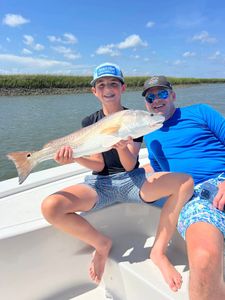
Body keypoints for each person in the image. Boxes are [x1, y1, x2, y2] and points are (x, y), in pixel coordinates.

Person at [41, 63, 193, 291]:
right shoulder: (89, 122)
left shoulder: (135, 117)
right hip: (100, 184)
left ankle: (158, 251)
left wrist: (122, 146)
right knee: (51, 206)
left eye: (113, 83)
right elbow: (98, 164)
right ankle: (101, 244)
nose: (107, 88)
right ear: (95, 91)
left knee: (184, 182)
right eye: (101, 85)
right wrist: (73, 158)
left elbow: (130, 163)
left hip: (133, 181)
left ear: (122, 88)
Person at [142, 75, 225, 300]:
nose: (156, 100)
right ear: (146, 104)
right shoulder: (151, 135)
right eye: (151, 97)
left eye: (162, 94)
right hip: (195, 194)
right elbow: (161, 170)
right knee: (203, 257)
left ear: (173, 95)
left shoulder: (200, 111)